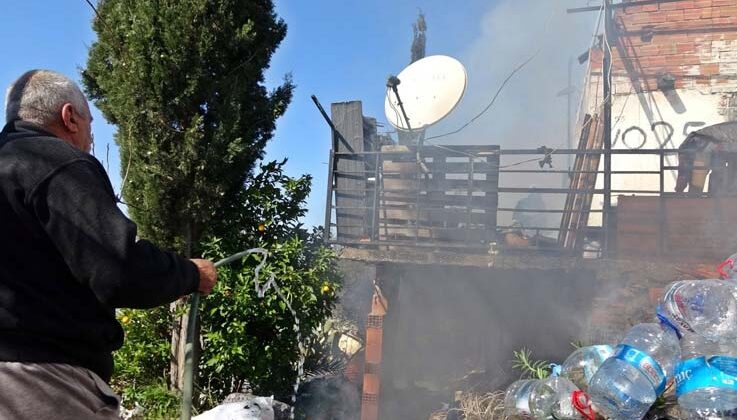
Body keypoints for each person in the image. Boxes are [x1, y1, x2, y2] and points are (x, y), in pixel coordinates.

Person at [0, 69, 217, 419]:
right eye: (89, 124)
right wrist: (190, 274)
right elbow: (118, 268)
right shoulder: (57, 162)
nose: (89, 137)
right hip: (40, 384)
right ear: (69, 117)